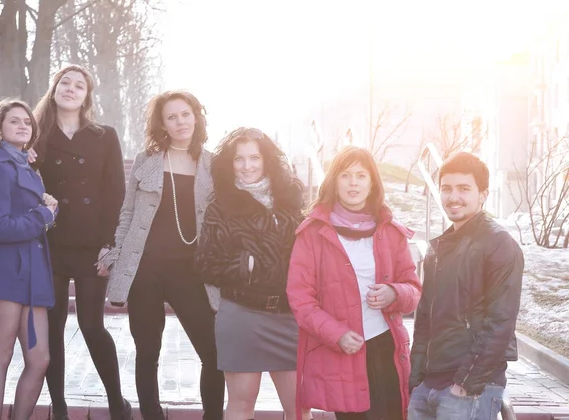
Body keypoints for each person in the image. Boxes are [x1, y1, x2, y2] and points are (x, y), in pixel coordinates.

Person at [101, 90, 224, 420]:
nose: (180, 121)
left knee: (213, 353)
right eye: (172, 117)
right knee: (147, 351)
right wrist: (114, 255)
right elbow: (128, 212)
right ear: (162, 124)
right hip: (146, 270)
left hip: (192, 271)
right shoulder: (147, 160)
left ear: (196, 116)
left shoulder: (214, 164)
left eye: (185, 114)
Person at [287, 146, 422, 420]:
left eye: (361, 175)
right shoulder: (312, 234)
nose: (353, 183)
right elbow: (301, 299)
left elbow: (414, 289)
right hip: (344, 349)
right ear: (334, 182)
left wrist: (394, 293)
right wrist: (336, 334)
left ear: (372, 182)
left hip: (387, 347)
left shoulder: (390, 232)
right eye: (345, 175)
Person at [30, 64, 130, 420]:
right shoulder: (35, 136)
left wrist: (110, 243)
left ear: (87, 96)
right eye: (65, 83)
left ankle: (118, 402)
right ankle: (58, 407)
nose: (71, 89)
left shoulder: (105, 136)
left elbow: (115, 192)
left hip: (91, 246)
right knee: (53, 328)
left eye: (79, 86)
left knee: (91, 325)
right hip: (51, 244)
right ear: (54, 88)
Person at [194, 127, 310, 420]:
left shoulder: (291, 201)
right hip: (241, 315)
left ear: (266, 159)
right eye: (239, 159)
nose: (247, 166)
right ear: (229, 163)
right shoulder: (220, 206)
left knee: (299, 407)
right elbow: (205, 263)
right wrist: (242, 265)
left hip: (288, 316)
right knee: (241, 404)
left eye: (254, 157)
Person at [408, 152, 524, 420]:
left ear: (482, 194)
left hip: (469, 389)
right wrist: (417, 379)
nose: (453, 197)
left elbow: (501, 322)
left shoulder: (499, 244)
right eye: (446, 189)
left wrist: (466, 384)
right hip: (429, 386)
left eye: (464, 189)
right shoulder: (438, 249)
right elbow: (424, 319)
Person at [0, 100, 57, 420]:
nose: (23, 125)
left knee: (40, 360)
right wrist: (44, 215)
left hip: (33, 272)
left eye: (27, 122)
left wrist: (47, 212)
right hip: (5, 269)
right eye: (13, 121)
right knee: (1, 354)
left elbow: (33, 213)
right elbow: (0, 227)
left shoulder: (25, 167)